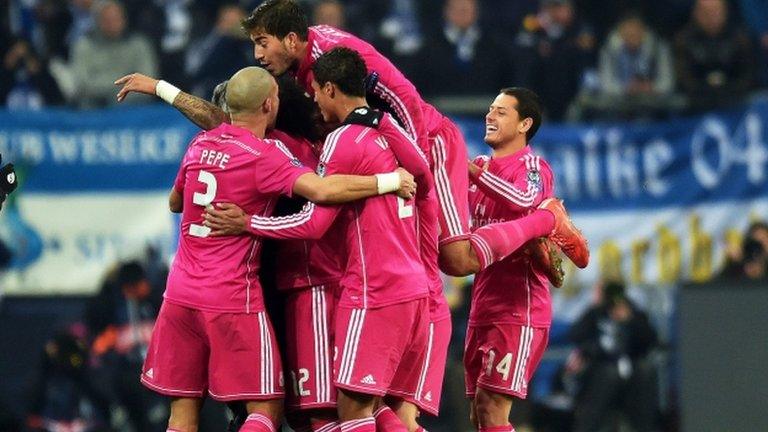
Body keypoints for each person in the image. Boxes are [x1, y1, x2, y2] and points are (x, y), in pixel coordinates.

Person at [114, 0, 588, 279]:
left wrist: (418, 165)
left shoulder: (332, 57)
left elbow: (402, 95)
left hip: (424, 143)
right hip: (387, 156)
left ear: (294, 39)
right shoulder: (289, 87)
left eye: (263, 44)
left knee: (453, 258)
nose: (258, 55)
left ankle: (542, 220)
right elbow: (228, 120)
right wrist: (162, 88)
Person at [140, 65, 415, 432]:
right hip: (234, 296)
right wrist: (388, 180)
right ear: (271, 103)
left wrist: (160, 87)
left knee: (183, 410)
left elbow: (176, 202)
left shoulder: (200, 144)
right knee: (268, 409)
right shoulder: (266, 155)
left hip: (178, 294)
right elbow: (322, 191)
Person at [463, 87, 562, 432]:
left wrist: (474, 173)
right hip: (483, 306)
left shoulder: (532, 167)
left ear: (525, 124)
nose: (490, 116)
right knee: (479, 413)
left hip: (519, 308)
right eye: (490, 109)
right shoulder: (479, 171)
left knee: (493, 410)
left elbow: (524, 200)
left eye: (502, 112)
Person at [568, 281, 660, 432]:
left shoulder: (634, 314)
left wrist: (630, 320)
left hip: (632, 374)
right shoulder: (595, 314)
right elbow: (576, 335)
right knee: (608, 375)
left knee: (646, 370)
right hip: (599, 372)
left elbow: (651, 340)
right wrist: (596, 307)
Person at [70, 0, 158, 108]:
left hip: (133, 107)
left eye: (116, 19)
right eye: (106, 20)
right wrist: (119, 87)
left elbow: (148, 81)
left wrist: (114, 92)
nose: (112, 24)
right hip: (94, 108)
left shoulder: (139, 45)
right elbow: (81, 83)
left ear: (124, 19)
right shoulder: (84, 46)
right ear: (97, 21)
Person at [674, 0, 754, 111]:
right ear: (696, 13)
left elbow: (748, 75)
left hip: (736, 104)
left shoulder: (740, 39)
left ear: (725, 12)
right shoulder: (684, 41)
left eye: (715, 12)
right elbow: (684, 79)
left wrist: (727, 91)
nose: (711, 18)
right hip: (695, 107)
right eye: (705, 12)